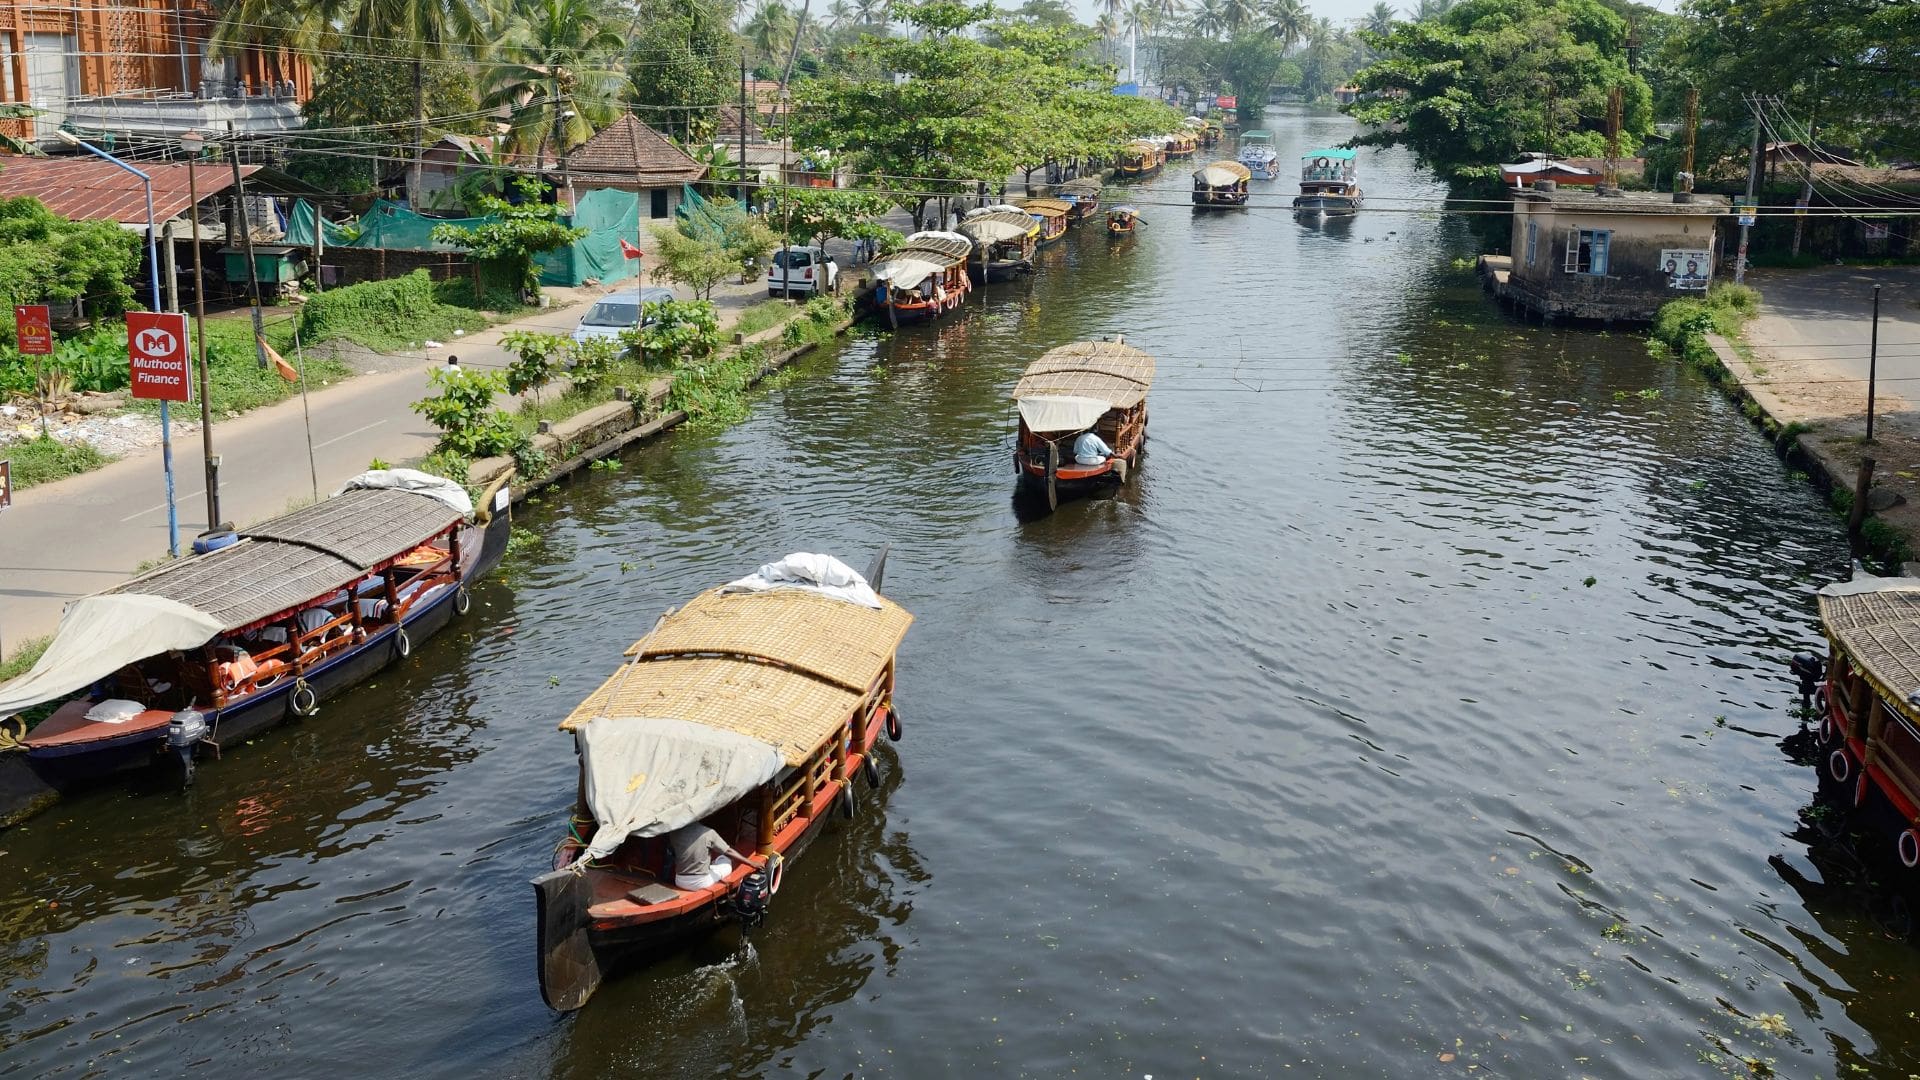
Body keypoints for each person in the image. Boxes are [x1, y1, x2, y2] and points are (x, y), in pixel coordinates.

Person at [668, 820, 757, 890]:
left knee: (716, 861)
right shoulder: (708, 832)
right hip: (700, 883)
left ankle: (713, 865)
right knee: (726, 861)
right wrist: (750, 863)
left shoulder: (674, 833)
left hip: (679, 880)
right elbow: (729, 851)